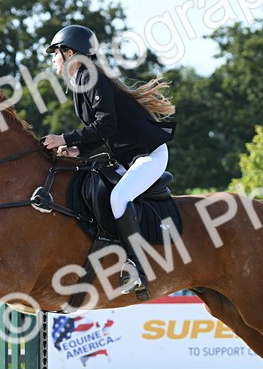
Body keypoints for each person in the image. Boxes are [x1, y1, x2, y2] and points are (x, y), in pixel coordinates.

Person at [41, 24, 175, 300]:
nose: (53, 59)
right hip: (130, 157)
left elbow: (107, 125)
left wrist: (65, 138)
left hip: (150, 155)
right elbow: (100, 130)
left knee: (119, 198)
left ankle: (137, 265)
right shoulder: (82, 82)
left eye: (55, 53)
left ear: (69, 53)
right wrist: (78, 149)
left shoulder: (91, 77)